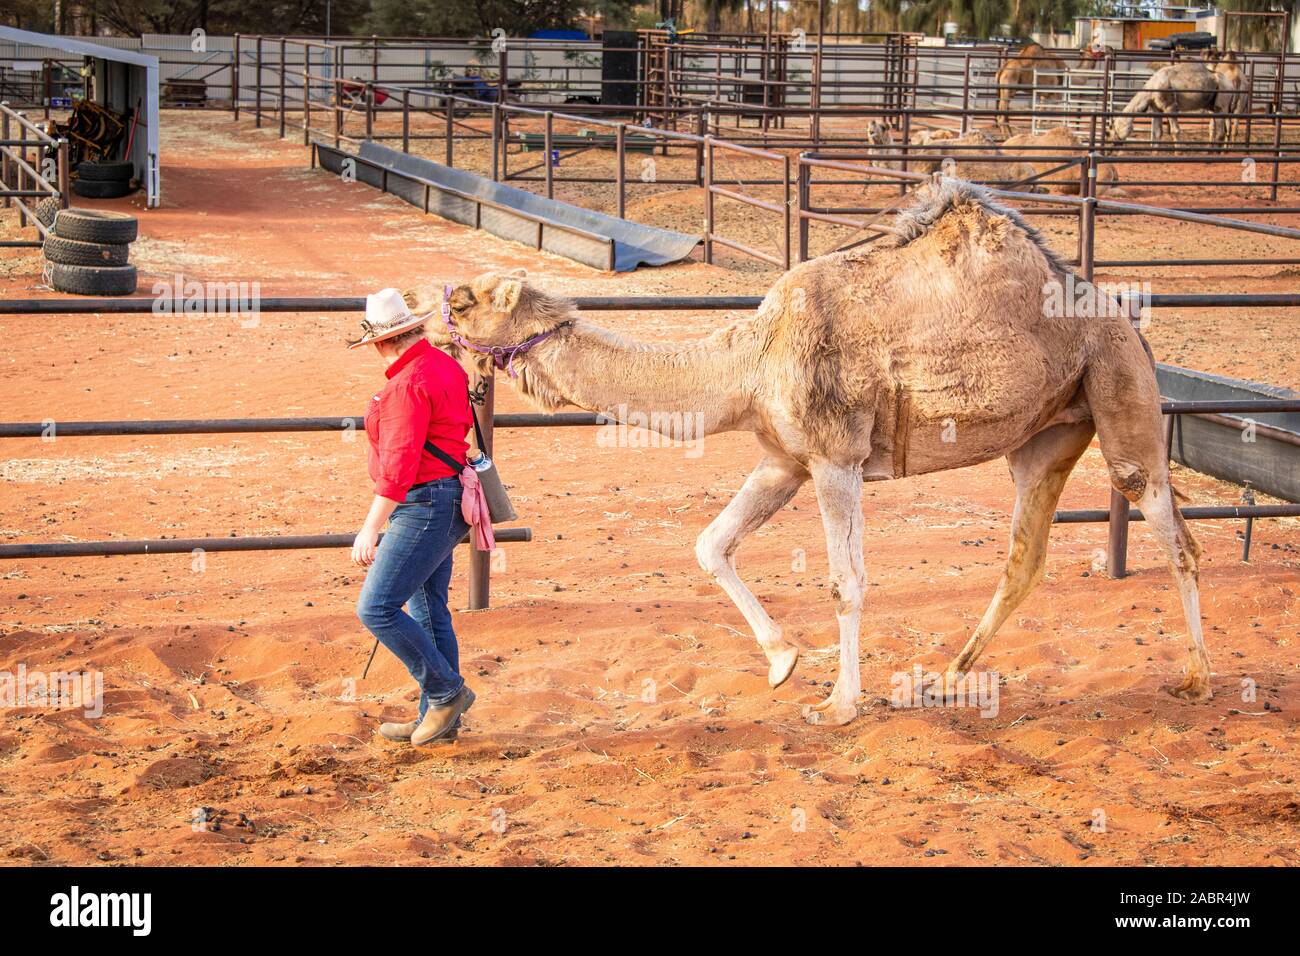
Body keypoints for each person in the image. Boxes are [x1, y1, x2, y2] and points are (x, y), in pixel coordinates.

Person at [348, 288, 477, 746]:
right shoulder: (444, 365)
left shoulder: (405, 385)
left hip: (423, 505)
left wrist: (371, 526)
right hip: (446, 500)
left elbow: (400, 466)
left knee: (377, 607)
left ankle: (445, 692)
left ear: (382, 342)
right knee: (427, 610)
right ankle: (438, 717)